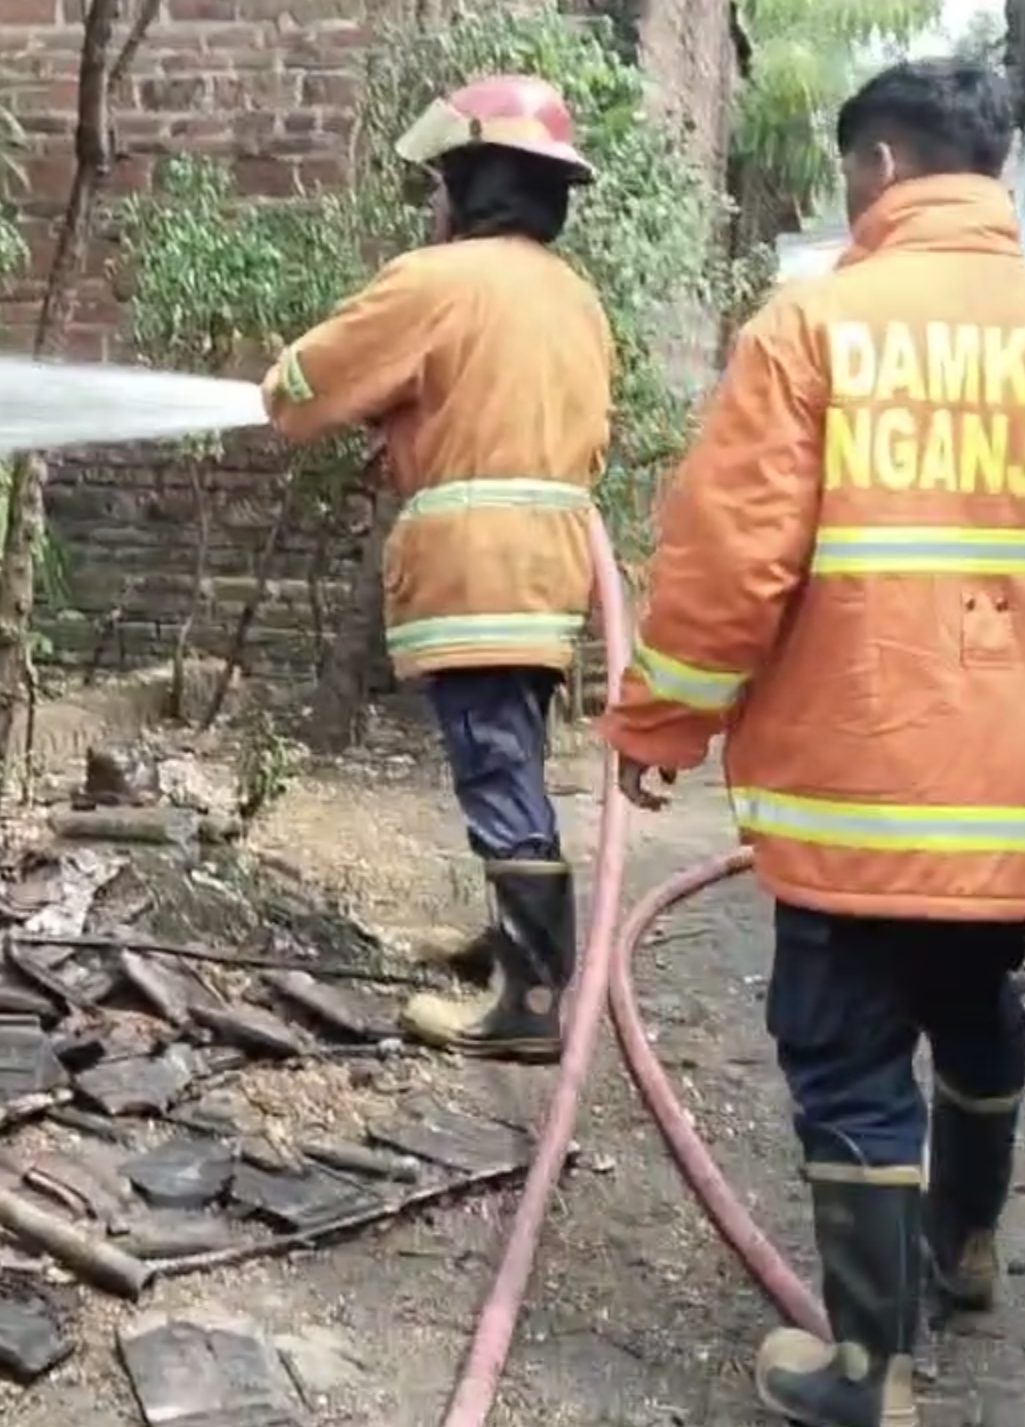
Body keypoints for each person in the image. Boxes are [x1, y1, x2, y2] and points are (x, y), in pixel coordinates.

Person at [599, 61, 1025, 1427]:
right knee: (976, 1010)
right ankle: (965, 1247)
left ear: (882, 168)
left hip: (863, 789)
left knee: (849, 1054)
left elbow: (729, 561)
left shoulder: (815, 331)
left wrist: (662, 717)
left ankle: (869, 1364)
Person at [258, 75, 613, 1064]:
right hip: (546, 570)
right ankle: (509, 947)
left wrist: (322, 390)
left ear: (470, 183)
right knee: (512, 754)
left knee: (495, 767)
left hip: (472, 568)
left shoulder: (437, 280)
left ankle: (532, 1005)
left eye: (441, 180)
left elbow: (295, 390)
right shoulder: (569, 296)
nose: (432, 202)